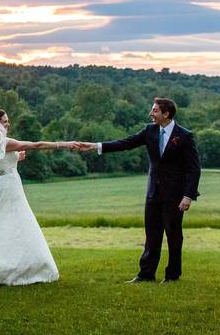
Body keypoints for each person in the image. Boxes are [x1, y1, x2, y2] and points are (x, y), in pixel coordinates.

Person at [75, 97, 201, 283]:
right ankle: (146, 275)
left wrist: (188, 196)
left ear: (166, 114)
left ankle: (173, 275)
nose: (151, 114)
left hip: (174, 196)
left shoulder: (184, 136)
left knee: (174, 235)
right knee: (151, 234)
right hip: (153, 193)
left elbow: (194, 169)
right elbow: (126, 143)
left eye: (155, 111)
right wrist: (95, 146)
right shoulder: (149, 131)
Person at [0, 108, 79, 286]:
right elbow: (36, 145)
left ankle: (2, 262)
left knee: (4, 221)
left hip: (3, 186)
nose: (8, 124)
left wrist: (15, 159)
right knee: (17, 221)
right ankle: (22, 267)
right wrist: (64, 144)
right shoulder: (5, 142)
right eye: (5, 122)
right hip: (11, 187)